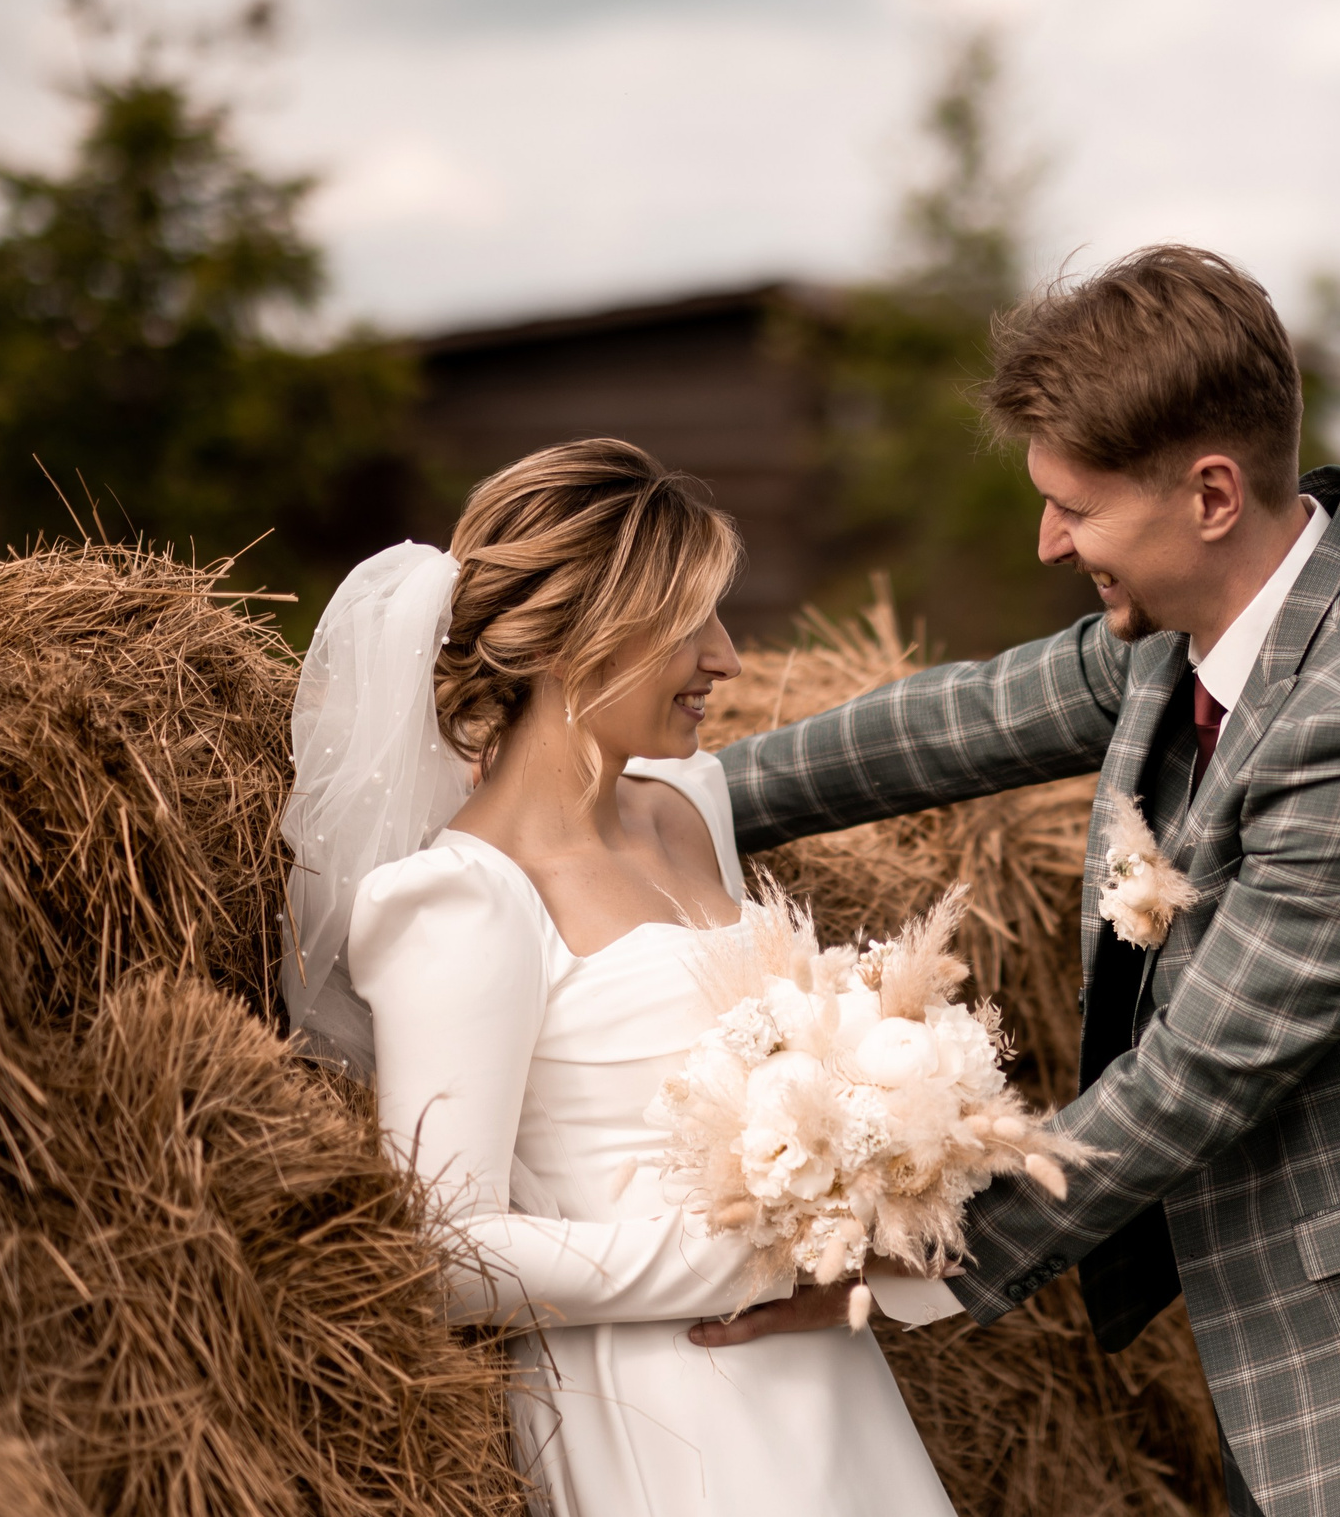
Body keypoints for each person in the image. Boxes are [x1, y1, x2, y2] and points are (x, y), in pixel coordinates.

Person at [700, 246, 1340, 1517]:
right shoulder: (1208, 621)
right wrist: (676, 798)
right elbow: (959, 720)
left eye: (1075, 507)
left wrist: (878, 1266)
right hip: (1285, 1345)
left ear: (1209, 494)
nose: (1046, 539)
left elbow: (1190, 1080)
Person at [282, 441, 959, 1517]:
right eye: (692, 622)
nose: (727, 658)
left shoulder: (688, 806)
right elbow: (447, 1247)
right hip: (677, 1416)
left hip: (831, 1387)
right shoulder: (460, 899)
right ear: (578, 638)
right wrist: (759, 1258)